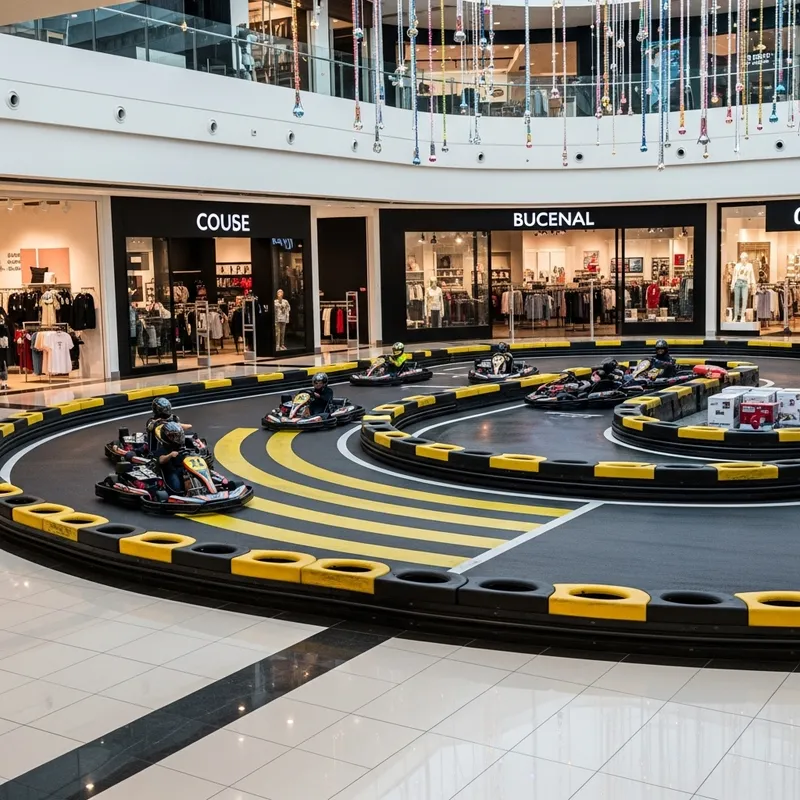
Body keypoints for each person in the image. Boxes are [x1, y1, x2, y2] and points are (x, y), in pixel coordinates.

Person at [153, 420, 187, 494]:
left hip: (184, 469)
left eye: (177, 435)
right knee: (175, 481)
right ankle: (178, 494)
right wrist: (170, 455)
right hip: (170, 472)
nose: (176, 438)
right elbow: (161, 460)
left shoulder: (183, 446)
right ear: (165, 436)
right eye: (173, 436)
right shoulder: (162, 449)